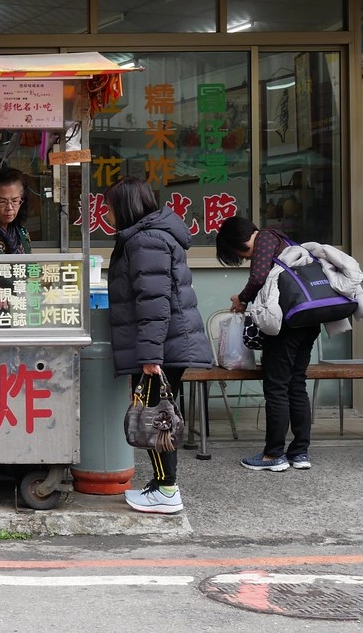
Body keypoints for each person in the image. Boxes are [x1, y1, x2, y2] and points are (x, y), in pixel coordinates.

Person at [106, 177, 213, 514]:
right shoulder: (153, 235)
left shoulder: (145, 240)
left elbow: (154, 302)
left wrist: (151, 356)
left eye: (109, 207)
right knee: (156, 416)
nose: (106, 214)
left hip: (161, 349)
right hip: (167, 345)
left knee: (155, 418)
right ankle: (162, 485)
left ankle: (167, 491)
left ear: (125, 207)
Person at [216, 215, 319, 472]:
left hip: (286, 325)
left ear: (237, 243)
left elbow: (259, 277)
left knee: (277, 388)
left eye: (242, 255)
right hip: (308, 320)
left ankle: (273, 455)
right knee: (296, 385)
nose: (247, 259)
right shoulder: (282, 240)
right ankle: (300, 452)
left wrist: (241, 299)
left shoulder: (263, 239)